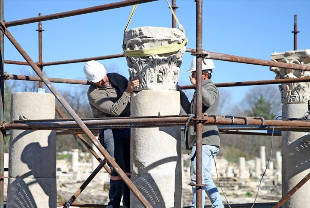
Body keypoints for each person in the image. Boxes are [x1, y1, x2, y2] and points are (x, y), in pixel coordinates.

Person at [84, 60, 139, 208]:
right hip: (110, 129)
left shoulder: (115, 77)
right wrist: (128, 91)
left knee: (129, 168)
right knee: (117, 169)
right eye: (98, 80)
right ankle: (114, 204)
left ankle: (128, 204)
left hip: (128, 125)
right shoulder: (93, 93)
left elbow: (131, 89)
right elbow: (115, 111)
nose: (102, 81)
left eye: (102, 77)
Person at [178, 57, 224, 208]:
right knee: (202, 175)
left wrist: (197, 85)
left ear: (204, 75)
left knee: (198, 175)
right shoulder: (199, 90)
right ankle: (217, 206)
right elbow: (188, 111)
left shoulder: (210, 88)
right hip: (202, 140)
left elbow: (210, 100)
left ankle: (199, 206)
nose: (190, 77)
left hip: (205, 140)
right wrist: (179, 92)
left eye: (193, 74)